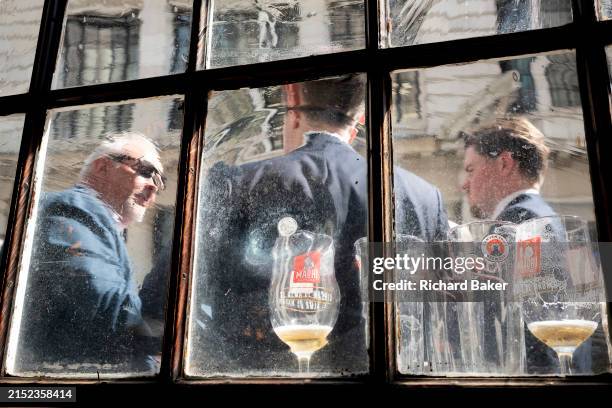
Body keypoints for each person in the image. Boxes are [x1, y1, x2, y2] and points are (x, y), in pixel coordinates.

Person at [196, 75, 448, 373]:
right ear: (359, 121)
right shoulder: (423, 196)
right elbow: (442, 310)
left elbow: (168, 300)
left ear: (291, 96)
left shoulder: (237, 184)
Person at [460, 117, 608, 374]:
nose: (464, 183)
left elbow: (527, 331)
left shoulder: (518, 226)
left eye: (471, 170)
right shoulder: (560, 226)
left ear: (504, 163)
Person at [16, 132, 165, 374]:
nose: (153, 187)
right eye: (146, 171)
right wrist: (172, 331)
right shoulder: (72, 207)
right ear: (103, 166)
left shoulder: (99, 225)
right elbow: (95, 295)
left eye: (160, 182)